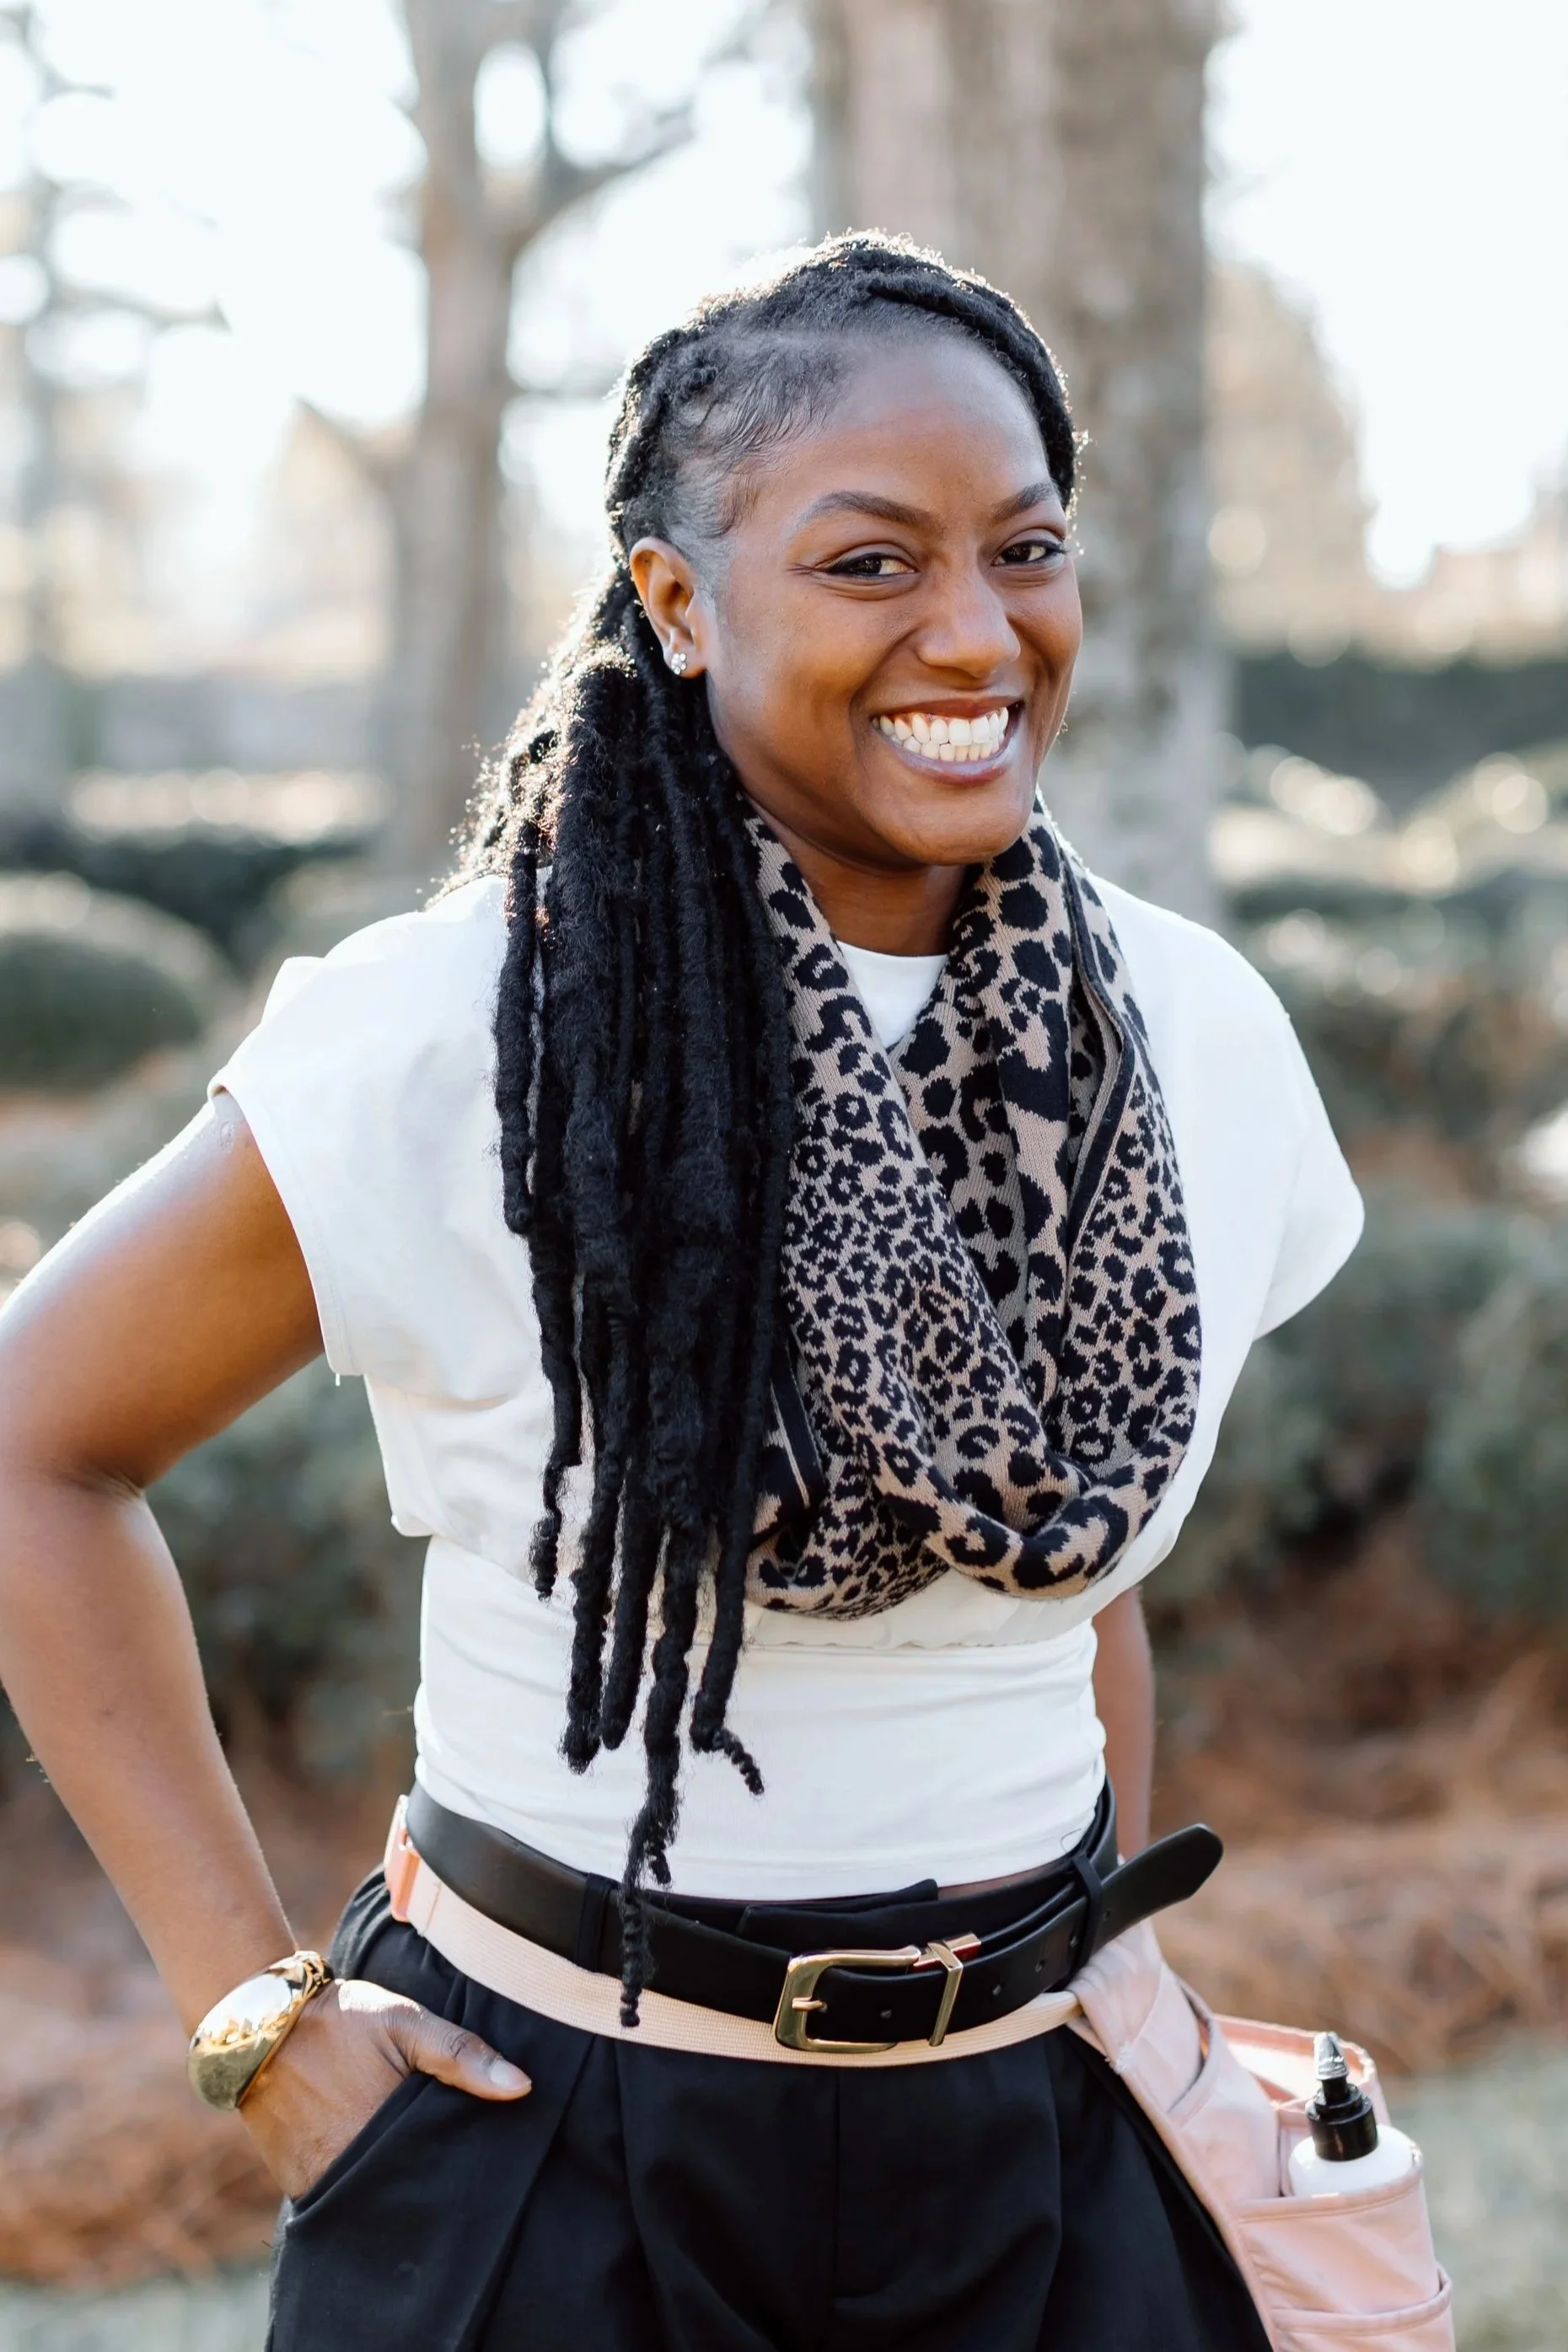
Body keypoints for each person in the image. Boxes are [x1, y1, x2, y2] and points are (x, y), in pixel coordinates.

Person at [0, 236, 1361, 2350]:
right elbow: (36, 1448)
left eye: (1024, 550)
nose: (976, 630)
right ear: (675, 599)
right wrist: (259, 2024)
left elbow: (1069, 1562)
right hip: (549, 2151)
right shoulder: (459, 1035)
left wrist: (1094, 1953)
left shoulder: (1193, 1036)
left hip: (1045, 2140)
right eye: (871, 562)